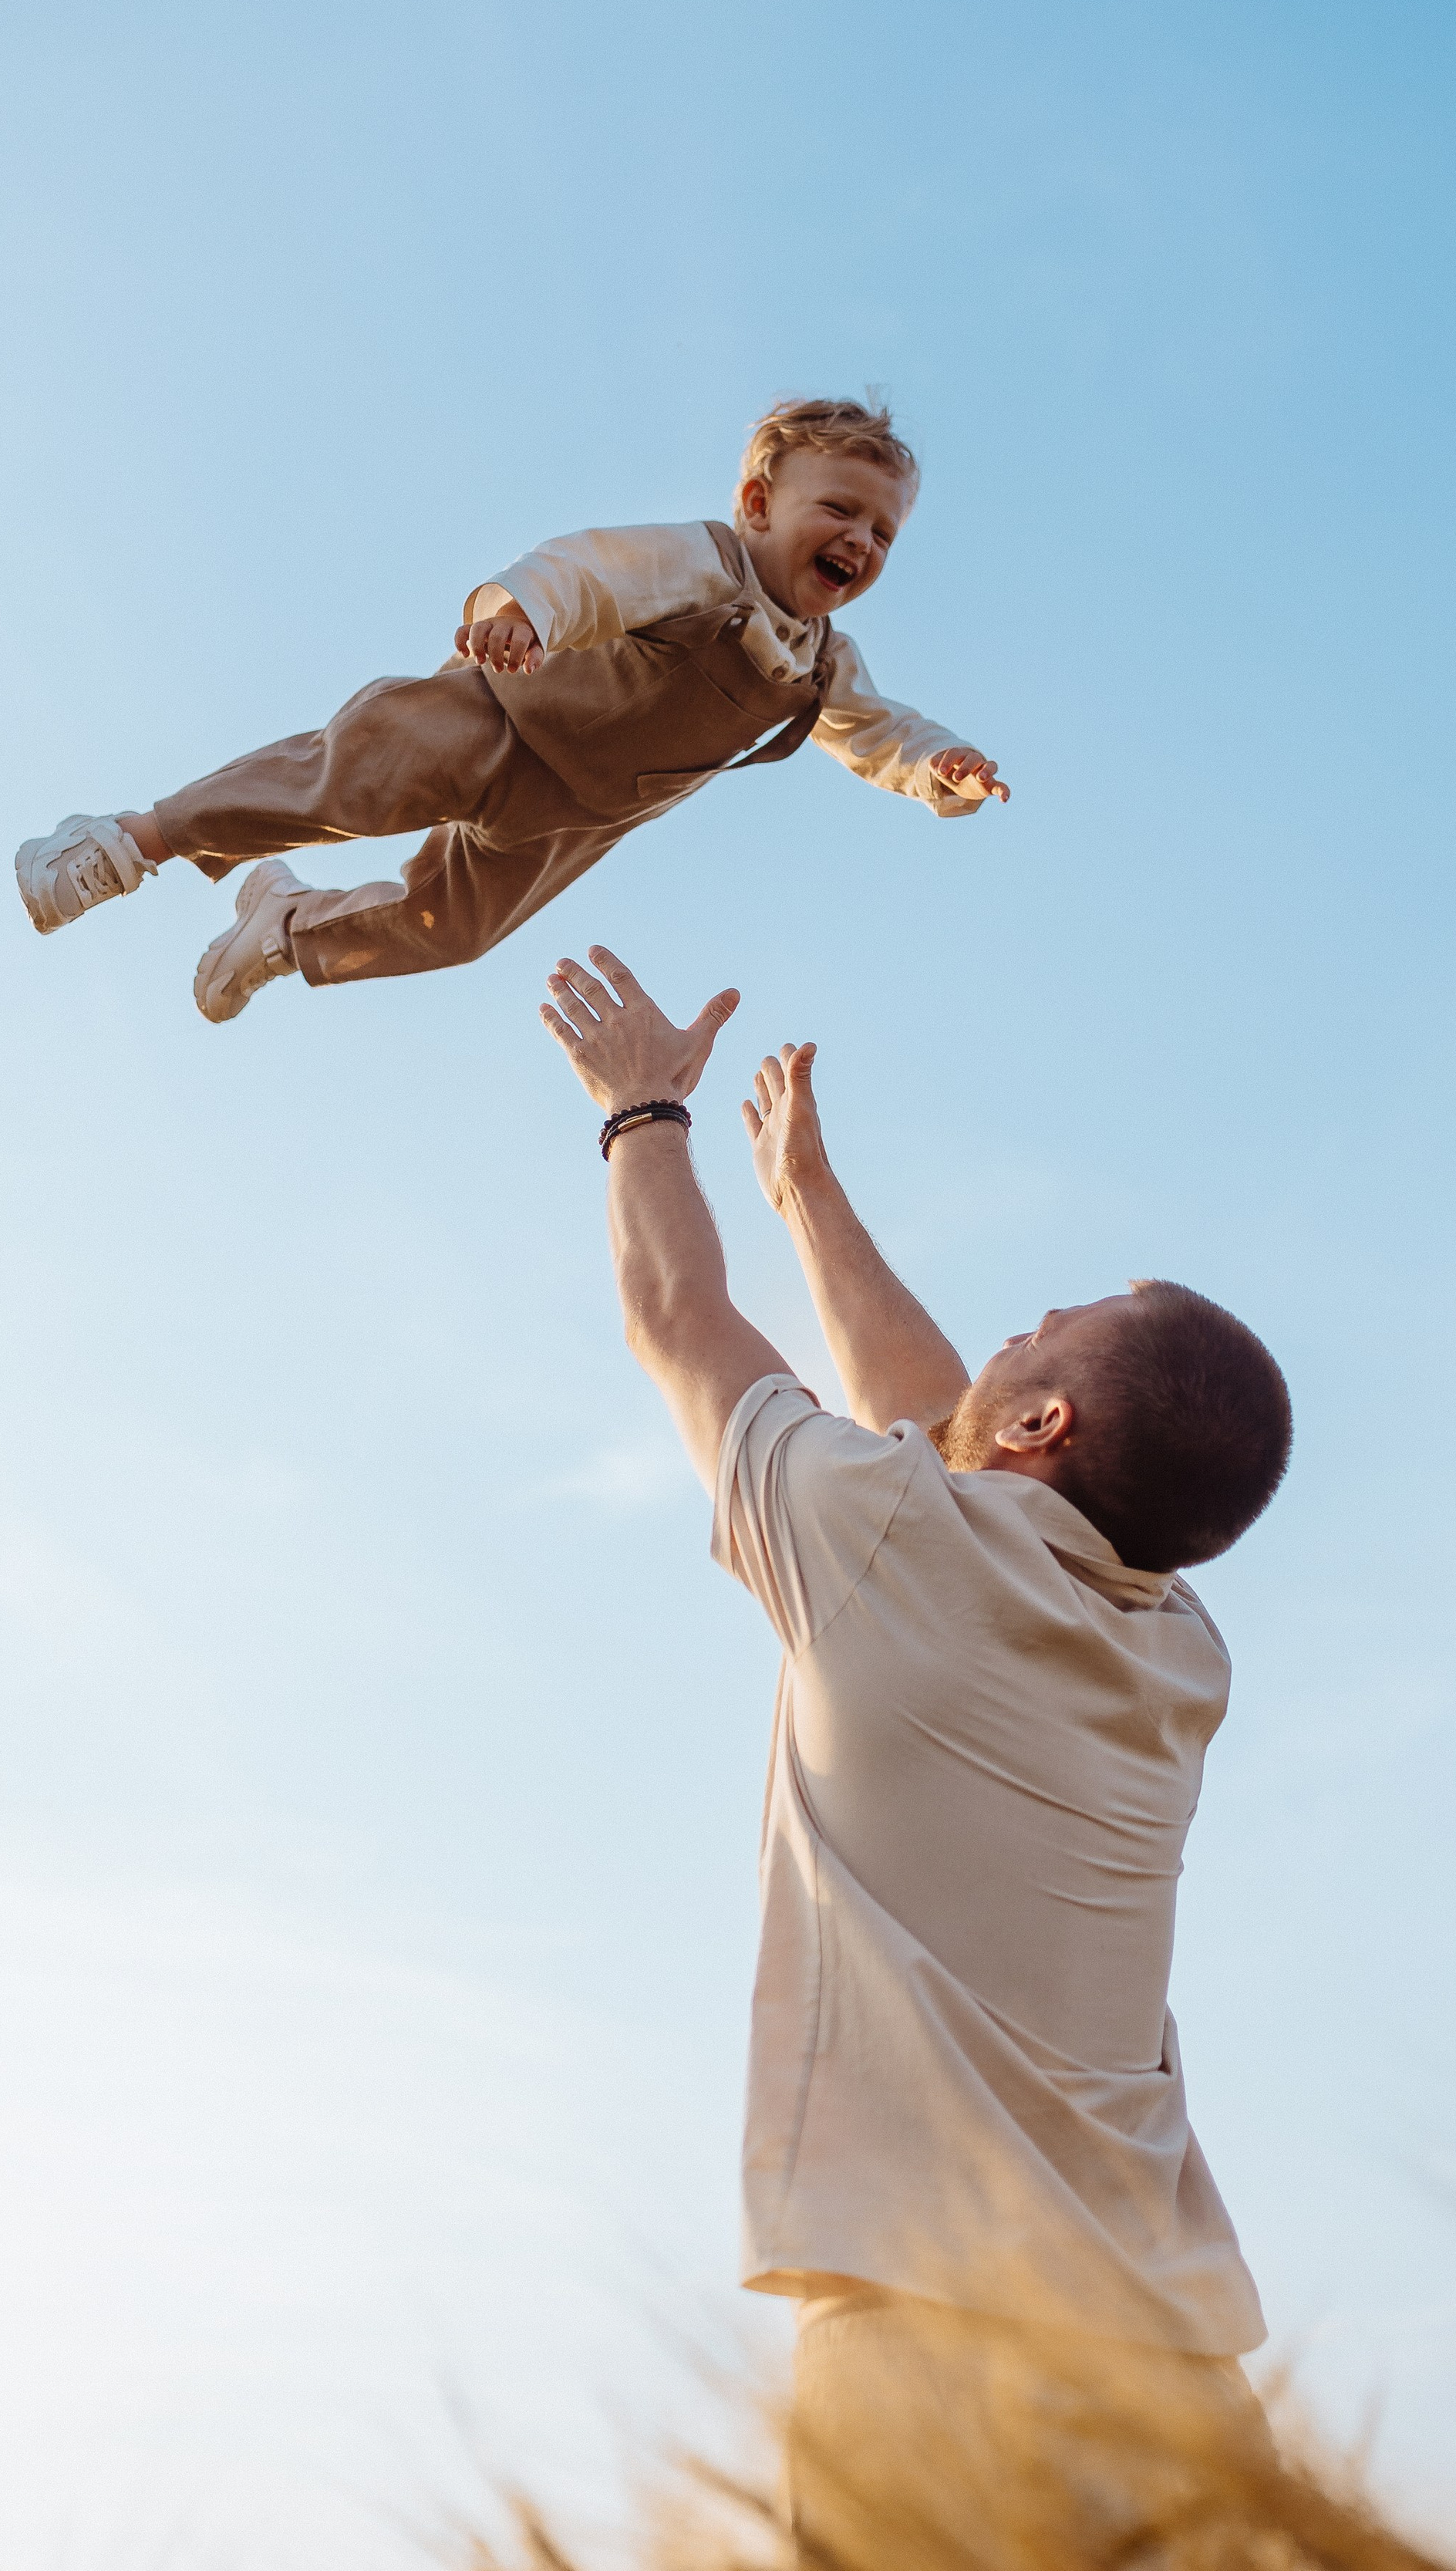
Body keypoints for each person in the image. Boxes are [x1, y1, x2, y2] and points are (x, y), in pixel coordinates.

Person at [538, 945, 1295, 2543]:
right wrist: (806, 1195)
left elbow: (676, 1316)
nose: (1019, 1324)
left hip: (933, 2346)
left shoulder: (882, 1538)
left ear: (1044, 1431)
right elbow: (943, 1424)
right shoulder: (1178, 1655)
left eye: (1051, 1325)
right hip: (1180, 2377)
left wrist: (642, 1109)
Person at [14, 399, 1007, 1023]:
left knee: (452, 929)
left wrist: (941, 769)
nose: (861, 541)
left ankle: (284, 932)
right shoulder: (706, 562)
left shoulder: (824, 663)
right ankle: (131, 840)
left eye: (883, 531)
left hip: (572, 820)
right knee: (341, 780)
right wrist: (519, 609)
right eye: (839, 510)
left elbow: (881, 733)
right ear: (759, 504)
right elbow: (589, 572)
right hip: (503, 714)